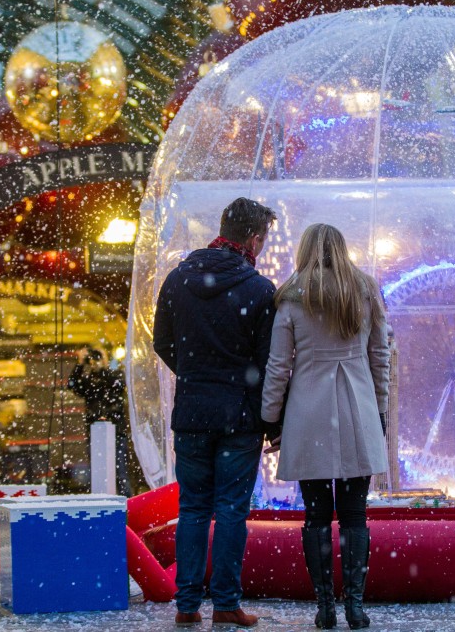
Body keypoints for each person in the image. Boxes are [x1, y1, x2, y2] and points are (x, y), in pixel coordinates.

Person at [153, 197, 280, 628]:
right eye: (263, 238)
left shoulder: (177, 279)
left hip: (191, 413)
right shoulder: (260, 290)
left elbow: (162, 343)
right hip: (239, 418)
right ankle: (225, 602)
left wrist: (194, 374)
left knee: (192, 509)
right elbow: (267, 365)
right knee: (230, 511)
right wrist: (269, 421)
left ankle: (186, 605)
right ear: (254, 238)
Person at [260, 223, 390, 630]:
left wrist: (270, 416)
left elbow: (279, 367)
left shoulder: (292, 299)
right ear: (342, 249)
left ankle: (324, 607)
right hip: (358, 408)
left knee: (316, 515)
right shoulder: (364, 292)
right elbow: (379, 356)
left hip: (308, 411)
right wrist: (379, 410)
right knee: (354, 514)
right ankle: (355, 605)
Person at [67, 347, 134, 496]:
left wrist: (103, 366)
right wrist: (80, 364)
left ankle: (127, 506)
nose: (95, 361)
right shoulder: (89, 381)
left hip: (116, 431)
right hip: (96, 433)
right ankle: (103, 503)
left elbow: (118, 384)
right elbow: (72, 385)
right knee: (98, 473)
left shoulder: (115, 375)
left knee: (120, 473)